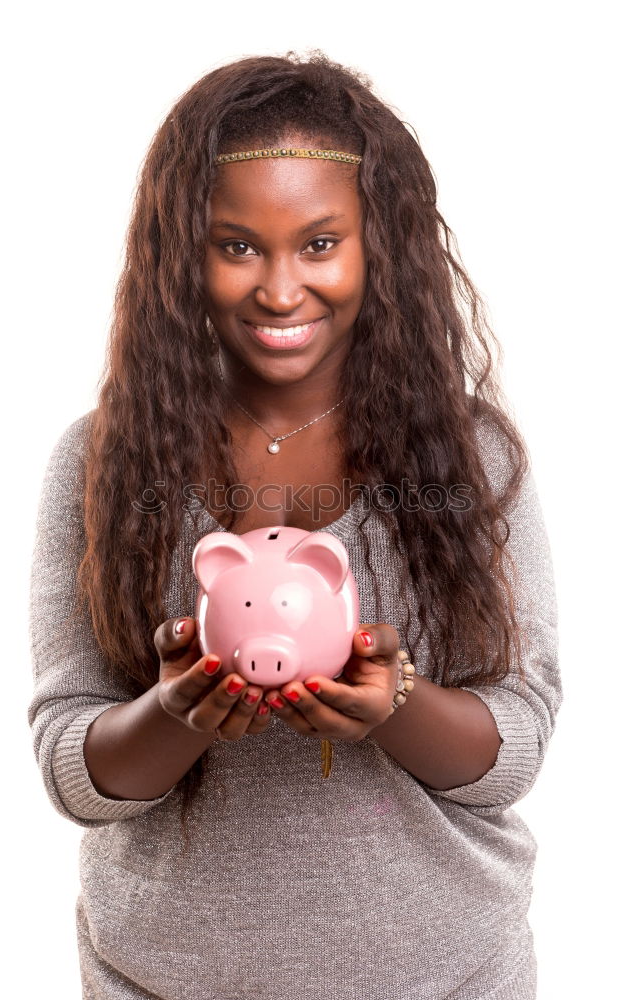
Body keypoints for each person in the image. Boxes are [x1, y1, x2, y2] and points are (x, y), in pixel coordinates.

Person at [27, 50, 562, 1000]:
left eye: (319, 243)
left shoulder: (466, 456)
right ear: (181, 254)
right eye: (238, 246)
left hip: (447, 980)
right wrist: (172, 712)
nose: (280, 289)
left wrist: (395, 702)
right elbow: (74, 767)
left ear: (377, 246)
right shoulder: (101, 463)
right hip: (159, 981)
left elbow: (514, 741)